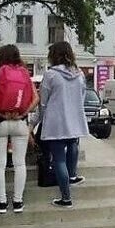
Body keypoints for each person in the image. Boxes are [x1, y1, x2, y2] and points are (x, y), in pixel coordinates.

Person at [0, 45, 39, 214]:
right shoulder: (24, 73)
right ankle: (18, 202)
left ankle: (2, 203)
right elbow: (35, 98)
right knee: (20, 163)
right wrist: (23, 113)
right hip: (19, 123)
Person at [39, 42, 89, 208]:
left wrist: (37, 121)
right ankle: (73, 175)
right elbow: (81, 97)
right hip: (73, 119)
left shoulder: (51, 75)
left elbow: (43, 102)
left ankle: (66, 198)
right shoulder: (79, 74)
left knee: (59, 159)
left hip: (56, 122)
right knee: (73, 144)